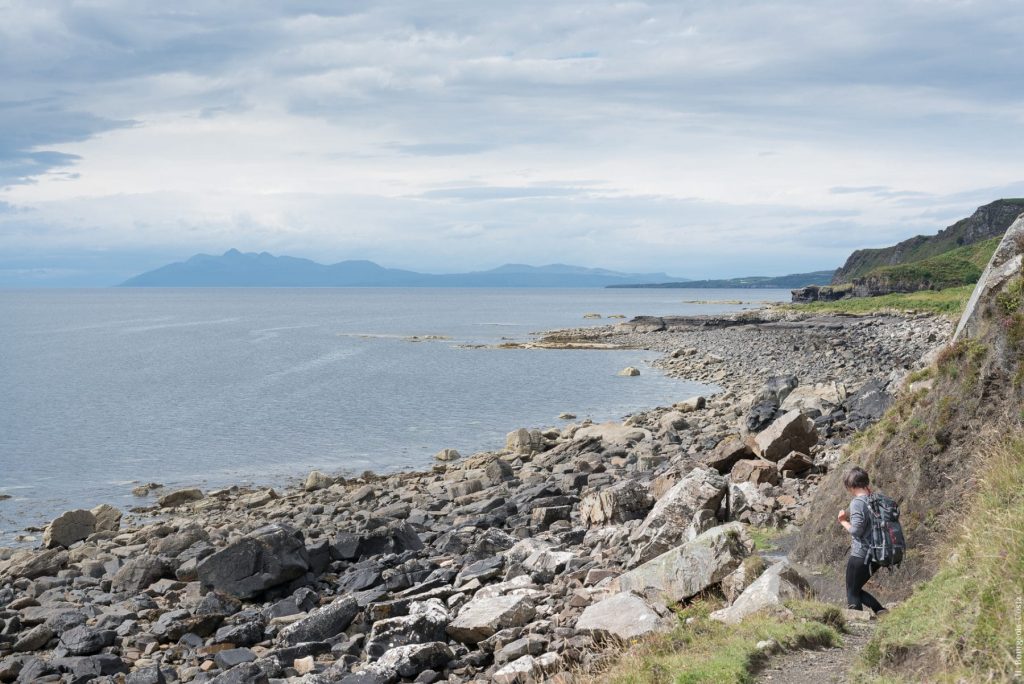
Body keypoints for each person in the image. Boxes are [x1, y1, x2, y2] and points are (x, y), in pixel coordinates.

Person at [837, 466, 887, 614]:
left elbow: (856, 531)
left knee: (852, 591)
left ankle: (858, 624)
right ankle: (880, 611)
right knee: (855, 588)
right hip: (878, 554)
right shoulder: (878, 499)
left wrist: (843, 521)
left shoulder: (857, 503)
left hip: (862, 554)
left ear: (850, 486)